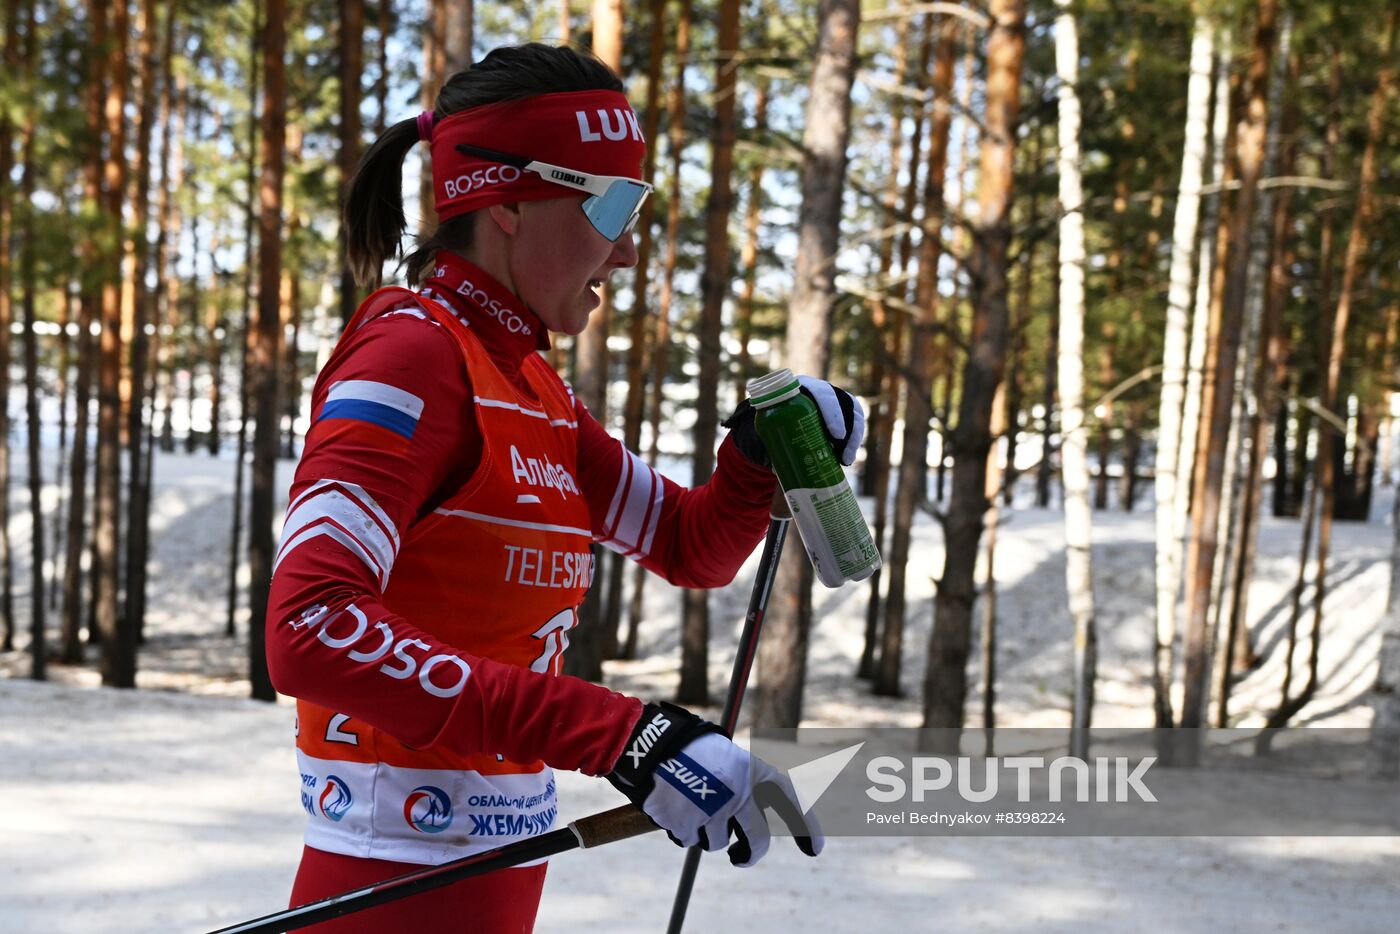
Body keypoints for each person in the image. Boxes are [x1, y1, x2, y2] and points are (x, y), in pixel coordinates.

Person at [265, 43, 862, 933]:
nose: (626, 251)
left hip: (489, 875)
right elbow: (308, 628)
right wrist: (624, 735)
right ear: (504, 200)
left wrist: (753, 458)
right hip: (387, 880)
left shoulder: (530, 385)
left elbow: (689, 544)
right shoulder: (411, 357)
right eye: (613, 203)